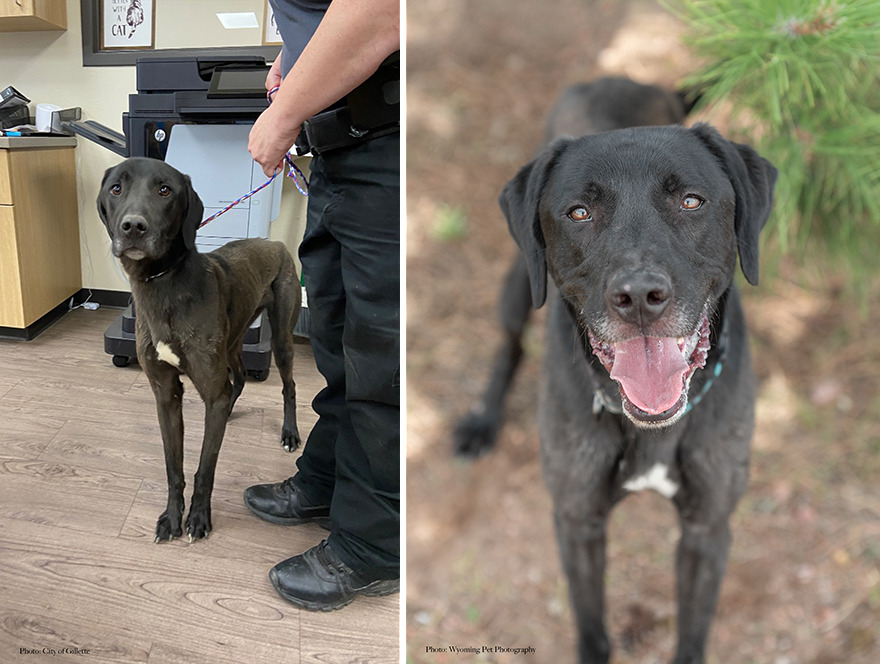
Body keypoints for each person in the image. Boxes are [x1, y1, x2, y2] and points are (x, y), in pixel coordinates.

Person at [245, 0, 400, 612]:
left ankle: (374, 545)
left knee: (384, 357)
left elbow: (383, 10)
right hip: (341, 148)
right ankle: (329, 478)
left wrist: (282, 115)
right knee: (336, 336)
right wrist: (295, 56)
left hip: (394, 140)